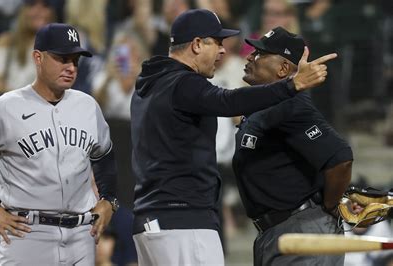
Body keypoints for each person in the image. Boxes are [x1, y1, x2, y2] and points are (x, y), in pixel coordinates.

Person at [130, 9, 337, 265]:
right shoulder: (182, 83)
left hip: (150, 221)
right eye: (217, 42)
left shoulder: (150, 84)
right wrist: (292, 84)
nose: (223, 51)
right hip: (182, 221)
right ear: (196, 45)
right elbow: (228, 101)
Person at [0, 23, 119, 265]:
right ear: (38, 58)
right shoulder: (5, 107)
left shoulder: (87, 106)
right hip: (28, 234)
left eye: (75, 60)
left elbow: (104, 156)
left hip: (81, 235)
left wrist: (109, 200)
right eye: (62, 58)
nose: (71, 67)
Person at [232, 26, 353, 265]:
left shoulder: (290, 105)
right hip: (279, 231)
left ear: (283, 69)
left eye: (259, 54)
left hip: (301, 230)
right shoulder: (268, 105)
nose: (249, 57)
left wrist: (329, 206)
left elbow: (341, 158)